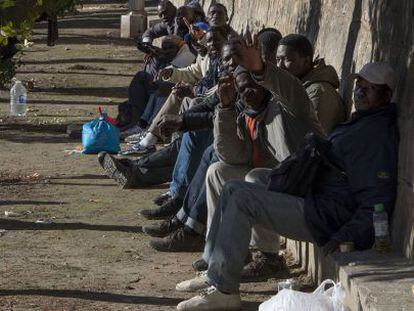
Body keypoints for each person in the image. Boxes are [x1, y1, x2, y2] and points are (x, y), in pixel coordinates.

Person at [175, 62, 399, 311]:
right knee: (243, 183)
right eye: (359, 86)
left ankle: (225, 290)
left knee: (240, 197)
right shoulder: (362, 122)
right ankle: (213, 270)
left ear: (386, 96)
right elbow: (234, 154)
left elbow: (376, 199)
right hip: (318, 198)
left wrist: (346, 235)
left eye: (369, 89)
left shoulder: (376, 136)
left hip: (325, 216)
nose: (359, 92)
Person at [118, 35, 195, 135]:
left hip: (184, 96)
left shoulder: (186, 57)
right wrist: (157, 58)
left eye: (171, 48)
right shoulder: (164, 57)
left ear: (180, 48)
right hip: (158, 96)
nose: (167, 51)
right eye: (165, 48)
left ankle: (150, 128)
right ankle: (141, 124)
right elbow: (155, 76)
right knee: (146, 80)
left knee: (164, 88)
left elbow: (184, 77)